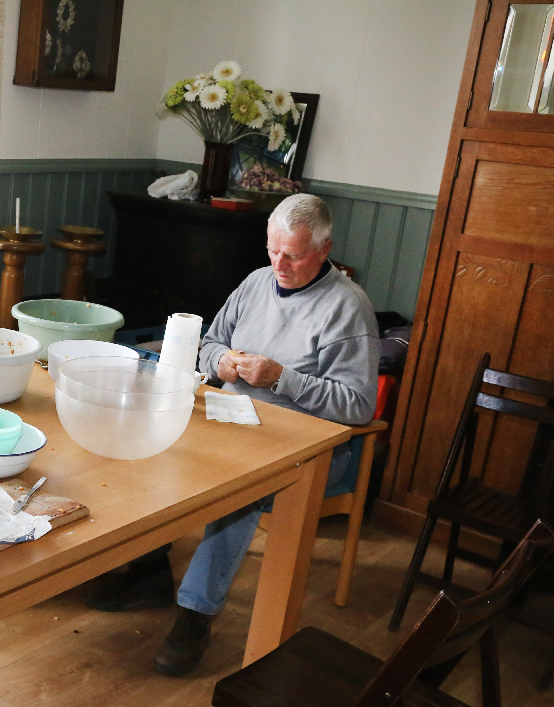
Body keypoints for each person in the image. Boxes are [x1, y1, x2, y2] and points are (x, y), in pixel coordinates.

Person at [85, 193, 380, 676]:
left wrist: (283, 378)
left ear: (325, 249)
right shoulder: (257, 282)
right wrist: (219, 360)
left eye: (295, 255)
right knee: (151, 442)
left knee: (241, 488)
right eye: (273, 250)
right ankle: (149, 568)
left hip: (310, 447)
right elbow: (209, 345)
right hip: (234, 418)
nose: (279, 265)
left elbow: (359, 406)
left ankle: (195, 614)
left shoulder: (348, 310)